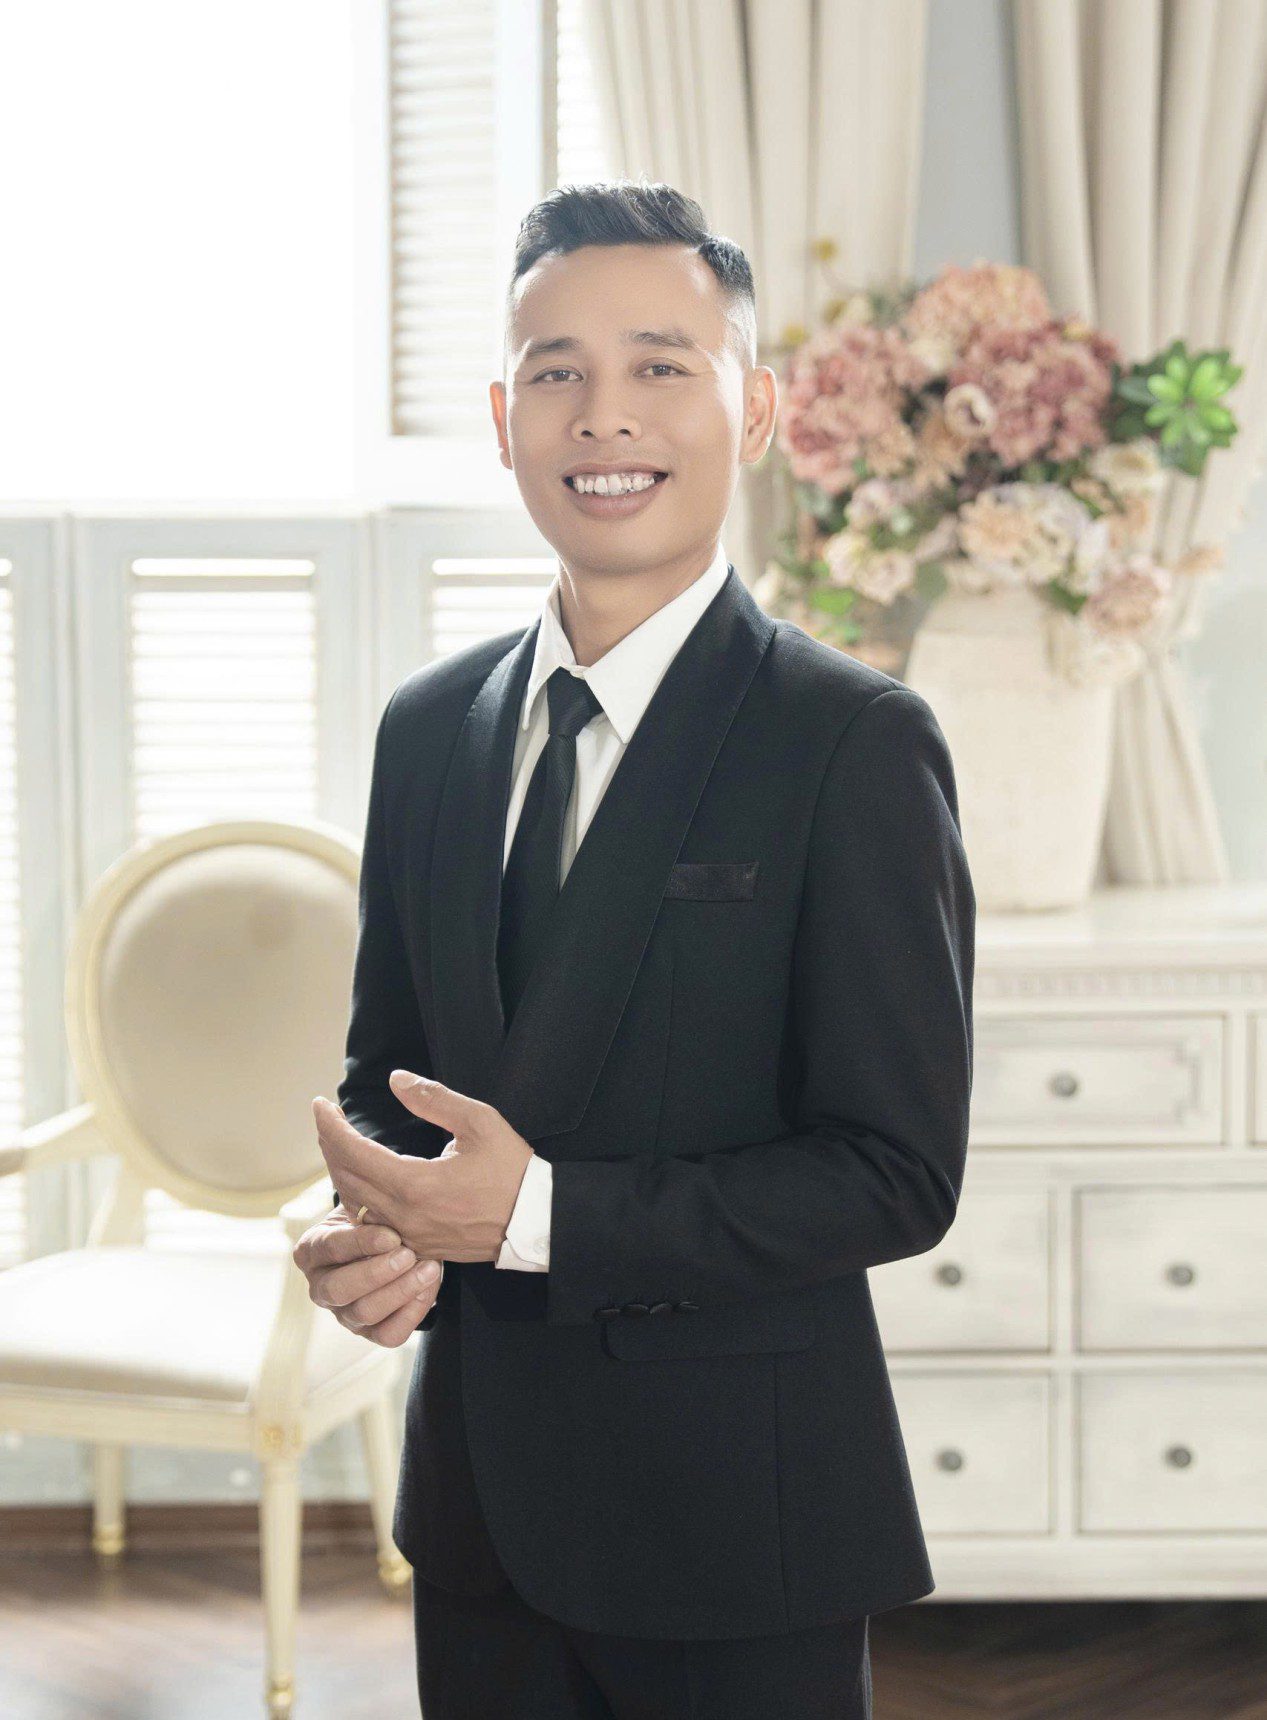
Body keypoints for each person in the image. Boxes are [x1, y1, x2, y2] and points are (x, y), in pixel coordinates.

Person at [292, 178, 976, 1720]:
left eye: (661, 365)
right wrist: (380, 1232)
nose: (604, 416)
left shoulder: (854, 743)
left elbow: (893, 1173)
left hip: (738, 1525)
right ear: (503, 419)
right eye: (558, 373)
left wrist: (533, 1215)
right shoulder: (428, 732)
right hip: (476, 1515)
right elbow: (393, 1074)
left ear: (757, 411)